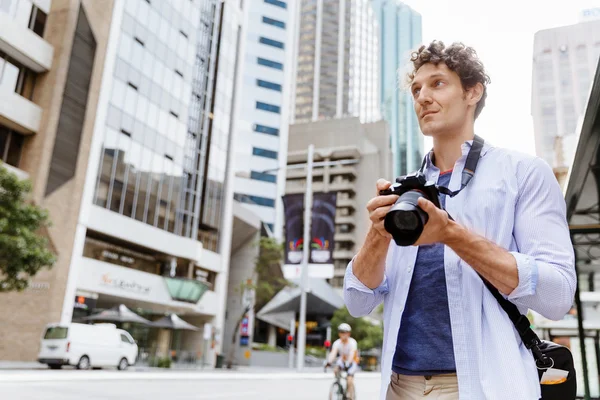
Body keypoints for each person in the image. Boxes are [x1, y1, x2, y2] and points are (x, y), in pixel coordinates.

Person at [343, 40, 576, 400]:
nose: (422, 97)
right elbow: (358, 303)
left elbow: (558, 295)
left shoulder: (522, 173)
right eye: (416, 89)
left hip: (484, 386)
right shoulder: (403, 191)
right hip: (399, 386)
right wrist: (378, 235)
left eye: (437, 83)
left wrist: (452, 234)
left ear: (472, 92)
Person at [326, 323, 358, 399]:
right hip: (342, 360)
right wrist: (329, 362)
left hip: (352, 361)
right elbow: (333, 353)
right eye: (341, 332)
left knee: (349, 379)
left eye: (345, 332)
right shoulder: (337, 343)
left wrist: (348, 363)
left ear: (349, 333)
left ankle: (350, 396)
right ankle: (338, 383)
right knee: (336, 369)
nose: (343, 334)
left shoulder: (352, 342)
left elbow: (352, 353)